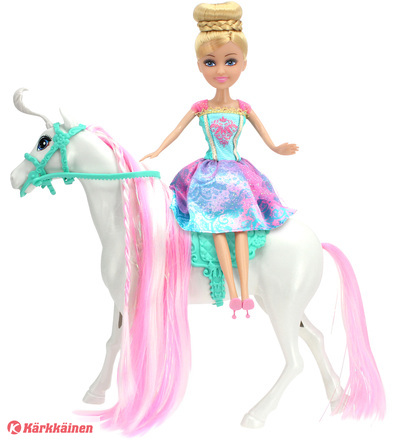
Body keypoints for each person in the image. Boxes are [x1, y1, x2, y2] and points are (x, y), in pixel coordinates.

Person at [140, 1, 298, 318]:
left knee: (241, 226)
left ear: (243, 64)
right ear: (200, 65)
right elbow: (176, 131)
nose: (221, 71)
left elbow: (266, 137)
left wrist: (277, 148)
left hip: (238, 174)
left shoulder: (244, 108)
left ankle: (244, 292)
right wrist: (157, 150)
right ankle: (232, 292)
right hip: (209, 175)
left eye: (230, 61)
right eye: (211, 62)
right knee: (215, 228)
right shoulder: (201, 107)